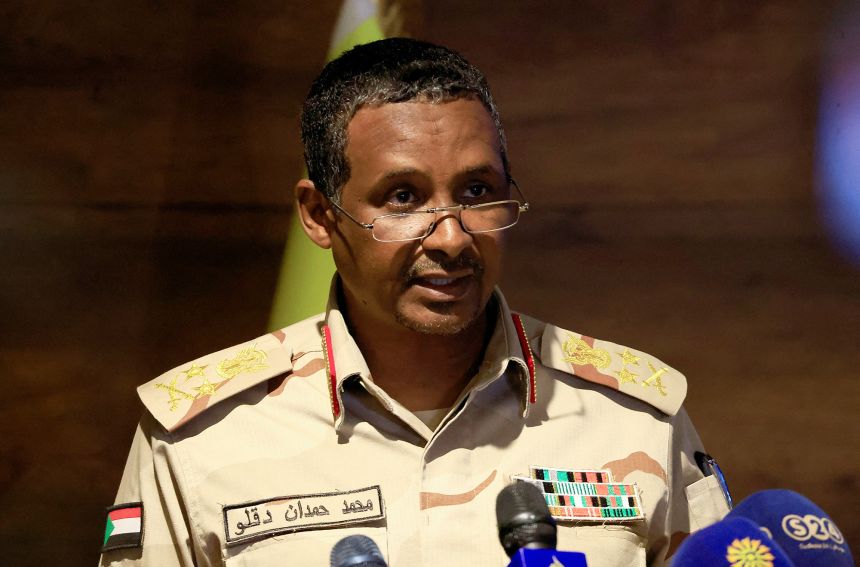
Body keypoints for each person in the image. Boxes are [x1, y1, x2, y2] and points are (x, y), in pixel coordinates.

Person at [99, 38, 730, 566]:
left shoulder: (634, 416)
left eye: (478, 190)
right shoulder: (201, 433)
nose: (452, 236)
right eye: (403, 197)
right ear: (320, 215)